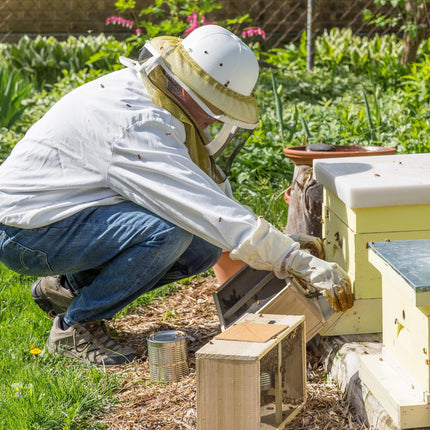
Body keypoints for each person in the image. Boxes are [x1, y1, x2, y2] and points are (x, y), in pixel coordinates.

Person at [0, 25, 353, 367]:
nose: (216, 122)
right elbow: (205, 210)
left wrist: (285, 244)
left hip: (61, 215)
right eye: (216, 109)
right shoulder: (138, 128)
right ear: (190, 92)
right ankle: (74, 329)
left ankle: (66, 287)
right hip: (25, 234)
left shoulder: (157, 101)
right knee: (169, 233)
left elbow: (211, 198)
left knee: (202, 248)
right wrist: (294, 260)